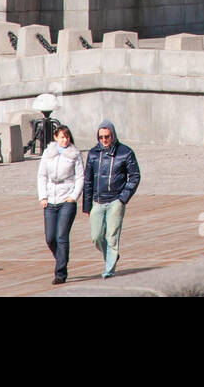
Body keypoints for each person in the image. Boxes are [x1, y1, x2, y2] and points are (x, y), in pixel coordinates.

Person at [82, 120, 140, 278]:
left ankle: (109, 271)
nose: (104, 140)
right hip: (97, 201)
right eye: (101, 137)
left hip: (116, 201)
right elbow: (87, 180)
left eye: (107, 136)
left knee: (112, 237)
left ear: (113, 135)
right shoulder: (93, 153)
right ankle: (111, 255)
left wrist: (123, 198)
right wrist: (86, 206)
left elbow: (134, 176)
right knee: (96, 237)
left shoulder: (125, 152)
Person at [37, 124, 84, 285]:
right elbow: (41, 175)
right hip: (51, 199)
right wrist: (43, 196)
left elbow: (80, 177)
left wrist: (74, 196)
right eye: (62, 137)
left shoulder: (75, 154)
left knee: (62, 236)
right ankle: (61, 259)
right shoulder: (48, 153)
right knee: (50, 238)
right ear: (56, 137)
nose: (65, 140)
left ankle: (60, 273)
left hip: (67, 199)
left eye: (67, 137)